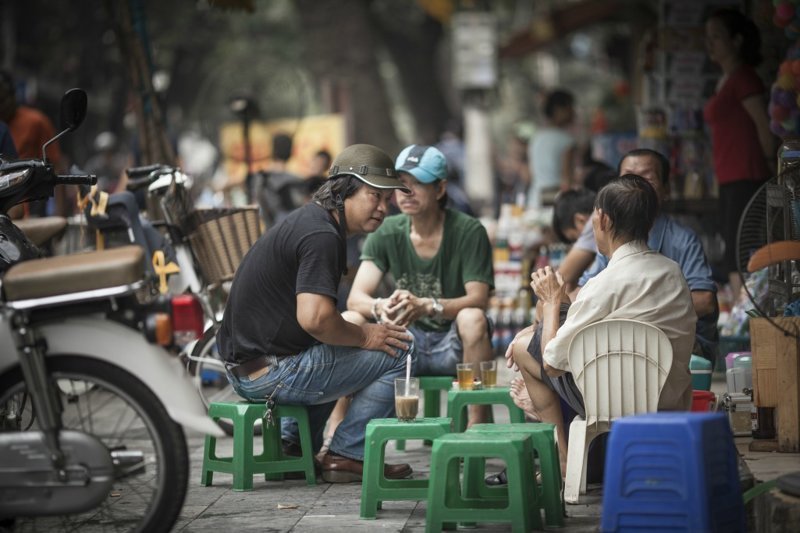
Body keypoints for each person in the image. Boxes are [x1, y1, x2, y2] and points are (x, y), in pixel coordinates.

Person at [217, 143, 415, 483]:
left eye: (388, 199)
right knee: (400, 347)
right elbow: (317, 320)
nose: (384, 208)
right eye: (374, 196)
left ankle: (294, 448)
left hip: (250, 367)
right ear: (343, 191)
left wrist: (359, 333)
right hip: (271, 374)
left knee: (350, 328)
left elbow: (317, 323)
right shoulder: (322, 235)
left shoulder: (313, 222)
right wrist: (368, 335)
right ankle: (347, 454)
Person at [509, 174, 696, 475]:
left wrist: (552, 302)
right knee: (539, 338)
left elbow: (553, 363)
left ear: (603, 220)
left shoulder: (603, 284)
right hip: (668, 397)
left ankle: (563, 460)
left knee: (522, 349)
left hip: (612, 403)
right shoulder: (674, 273)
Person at [347, 144, 495, 425]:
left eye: (419, 184)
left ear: (440, 189)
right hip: (404, 344)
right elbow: (356, 298)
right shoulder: (387, 231)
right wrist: (382, 305)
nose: (408, 193)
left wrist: (428, 306)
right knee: (351, 318)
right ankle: (336, 430)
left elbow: (479, 298)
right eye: (402, 185)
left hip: (453, 346)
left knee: (473, 318)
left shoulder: (468, 231)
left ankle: (477, 424)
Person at [703, 8, 775, 297]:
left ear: (737, 40)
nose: (709, 43)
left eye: (717, 36)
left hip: (748, 174)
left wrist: (772, 168)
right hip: (730, 176)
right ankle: (741, 314)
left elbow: (764, 126)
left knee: (739, 250)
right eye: (707, 37)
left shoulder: (745, 78)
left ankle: (745, 317)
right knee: (732, 248)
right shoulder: (726, 80)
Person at [0, 70, 66, 217]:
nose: (1, 107)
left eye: (3, 100)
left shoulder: (36, 122)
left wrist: (59, 214)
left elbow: (56, 167)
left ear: (13, 95)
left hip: (33, 202)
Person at [527, 89, 578, 209]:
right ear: (558, 110)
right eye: (569, 107)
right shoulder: (566, 140)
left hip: (534, 199)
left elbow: (531, 174)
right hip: (556, 202)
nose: (573, 112)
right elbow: (567, 180)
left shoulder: (536, 138)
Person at [250, 132, 306, 226]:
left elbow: (256, 208)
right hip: (291, 231)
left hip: (269, 233)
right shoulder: (295, 180)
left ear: (273, 149)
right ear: (290, 150)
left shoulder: (259, 178)